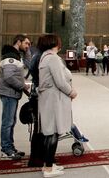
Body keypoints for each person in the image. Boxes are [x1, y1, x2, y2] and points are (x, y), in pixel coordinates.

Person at [37, 34, 76, 177]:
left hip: (49, 98)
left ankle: (48, 164)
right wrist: (71, 92)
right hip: (54, 99)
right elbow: (60, 81)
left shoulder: (44, 57)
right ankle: (48, 168)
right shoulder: (52, 58)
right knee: (53, 132)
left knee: (50, 132)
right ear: (55, 43)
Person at [0, 34, 31, 160]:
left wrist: (27, 51)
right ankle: (6, 150)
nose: (28, 46)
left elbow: (28, 63)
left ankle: (10, 147)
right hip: (8, 93)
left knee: (11, 121)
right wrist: (22, 86)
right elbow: (9, 76)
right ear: (18, 42)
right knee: (7, 122)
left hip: (12, 93)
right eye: (26, 43)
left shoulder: (17, 55)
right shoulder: (11, 57)